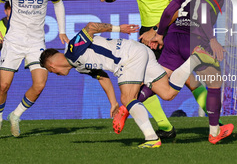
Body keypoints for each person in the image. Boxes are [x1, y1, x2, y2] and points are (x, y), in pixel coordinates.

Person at [99, 0, 210, 138]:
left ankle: (174, 126)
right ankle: (172, 127)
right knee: (172, 78)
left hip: (166, 30)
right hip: (146, 33)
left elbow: (176, 9)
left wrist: (157, 30)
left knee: (173, 79)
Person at [39, 22, 215, 148]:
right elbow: (103, 77)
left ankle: (151, 138)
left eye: (52, 72)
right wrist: (113, 103)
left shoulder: (72, 49)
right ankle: (194, 60)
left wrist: (119, 29)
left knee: (128, 98)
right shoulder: (78, 67)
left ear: (51, 66)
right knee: (168, 93)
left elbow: (91, 27)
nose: (56, 75)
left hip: (128, 57)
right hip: (139, 53)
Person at [150, 0, 236, 144]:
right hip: (195, 39)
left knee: (161, 83)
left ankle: (128, 105)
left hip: (174, 36)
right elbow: (203, 11)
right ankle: (214, 133)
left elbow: (170, 9)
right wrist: (212, 39)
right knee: (214, 81)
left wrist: (160, 34)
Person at [0, 0, 69, 137]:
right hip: (13, 41)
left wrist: (62, 30)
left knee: (40, 84)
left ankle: (16, 115)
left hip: (36, 43)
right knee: (3, 86)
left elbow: (58, 3)